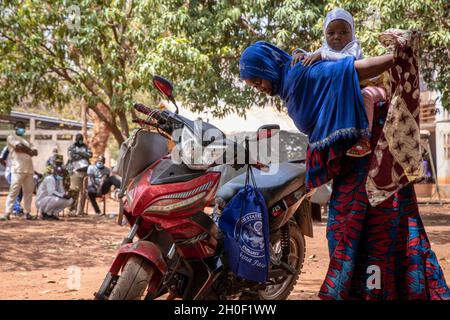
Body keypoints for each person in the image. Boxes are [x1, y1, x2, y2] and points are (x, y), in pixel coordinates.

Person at [239, 31, 450, 299]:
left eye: (257, 78)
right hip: (353, 165)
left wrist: (395, 58)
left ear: (268, 67)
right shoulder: (292, 81)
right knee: (354, 231)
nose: (257, 86)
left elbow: (353, 70)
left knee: (361, 230)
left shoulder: (303, 75)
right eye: (251, 83)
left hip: (368, 162)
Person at [291, 8, 387, 158]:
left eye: (343, 32)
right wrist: (299, 53)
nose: (337, 37)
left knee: (365, 96)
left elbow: (348, 61)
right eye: (331, 33)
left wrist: (322, 55)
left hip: (372, 86)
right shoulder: (325, 49)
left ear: (352, 32)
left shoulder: (353, 47)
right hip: (350, 92)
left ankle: (364, 139)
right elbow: (312, 56)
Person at [0, 121, 38, 221]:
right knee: (14, 191)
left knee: (28, 192)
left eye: (23, 127)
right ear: (15, 128)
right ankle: (7, 213)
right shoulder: (11, 137)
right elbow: (18, 147)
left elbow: (35, 152)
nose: (22, 129)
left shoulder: (26, 141)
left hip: (29, 170)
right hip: (17, 169)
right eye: (20, 127)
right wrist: (29, 151)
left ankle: (27, 213)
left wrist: (25, 150)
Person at [67, 133, 92, 215]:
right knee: (74, 191)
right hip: (76, 171)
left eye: (81, 138)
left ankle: (80, 211)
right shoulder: (72, 147)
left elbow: (90, 155)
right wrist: (83, 155)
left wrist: (79, 153)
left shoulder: (85, 146)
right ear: (76, 139)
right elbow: (71, 156)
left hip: (86, 172)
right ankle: (72, 210)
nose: (80, 140)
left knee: (84, 192)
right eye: (78, 139)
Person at [0, 145, 23, 215]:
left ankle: (15, 207)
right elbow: (1, 159)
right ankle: (16, 208)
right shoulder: (7, 147)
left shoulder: (21, 148)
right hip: (10, 172)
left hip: (19, 173)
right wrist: (7, 166)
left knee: (20, 189)